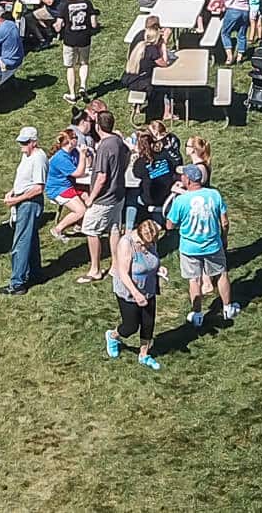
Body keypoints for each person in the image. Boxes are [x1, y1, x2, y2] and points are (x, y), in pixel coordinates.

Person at [165, 163, 239, 325]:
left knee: (194, 280)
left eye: (183, 176)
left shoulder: (181, 200)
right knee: (221, 274)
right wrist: (224, 237)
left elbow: (169, 225)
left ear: (189, 180)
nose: (181, 178)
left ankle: (197, 314)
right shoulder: (214, 195)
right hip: (213, 244)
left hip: (189, 248)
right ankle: (228, 308)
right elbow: (224, 222)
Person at [105, 218, 166, 371]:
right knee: (130, 326)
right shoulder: (126, 244)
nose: (150, 245)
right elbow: (123, 273)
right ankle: (113, 336)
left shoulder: (151, 240)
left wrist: (159, 269)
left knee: (148, 324)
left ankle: (144, 355)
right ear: (140, 234)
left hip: (148, 289)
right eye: (147, 243)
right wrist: (136, 294)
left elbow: (152, 260)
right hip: (129, 291)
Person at [79, 108, 130, 283]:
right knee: (114, 229)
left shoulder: (104, 147)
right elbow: (128, 156)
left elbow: (101, 177)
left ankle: (95, 270)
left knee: (90, 230)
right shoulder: (118, 141)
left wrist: (90, 198)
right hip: (118, 194)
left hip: (104, 198)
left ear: (99, 127)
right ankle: (116, 266)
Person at [0, 124, 48, 294]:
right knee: (31, 239)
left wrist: (16, 200)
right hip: (23, 201)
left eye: (25, 142)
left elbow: (38, 188)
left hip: (29, 204)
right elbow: (22, 179)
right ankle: (35, 273)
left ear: (34, 142)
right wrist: (12, 192)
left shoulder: (39, 158)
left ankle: (17, 283)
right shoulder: (27, 155)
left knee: (21, 242)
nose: (22, 146)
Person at [58, 0, 98, 103]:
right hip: (84, 38)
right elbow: (94, 24)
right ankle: (83, 87)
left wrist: (56, 27)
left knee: (70, 66)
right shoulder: (87, 3)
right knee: (84, 63)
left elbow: (59, 24)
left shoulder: (64, 5)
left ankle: (72, 94)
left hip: (69, 39)